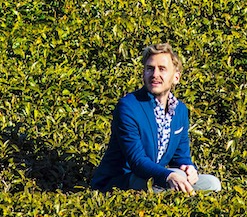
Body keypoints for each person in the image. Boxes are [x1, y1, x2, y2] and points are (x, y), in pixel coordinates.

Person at [89, 42, 221, 194]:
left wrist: (189, 168)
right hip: (122, 181)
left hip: (156, 178)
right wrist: (169, 175)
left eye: (162, 69)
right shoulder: (128, 107)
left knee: (212, 183)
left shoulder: (180, 111)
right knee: (176, 179)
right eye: (150, 69)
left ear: (176, 77)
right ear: (144, 73)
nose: (155, 75)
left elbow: (181, 156)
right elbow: (137, 161)